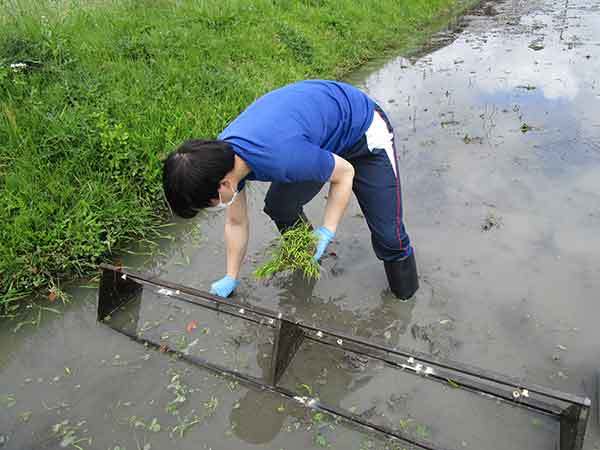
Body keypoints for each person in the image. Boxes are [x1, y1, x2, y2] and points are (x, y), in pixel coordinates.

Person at [162, 80, 418, 300]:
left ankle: (405, 298)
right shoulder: (221, 161)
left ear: (224, 185)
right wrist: (231, 276)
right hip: (316, 140)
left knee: (390, 237)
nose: (215, 207)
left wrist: (327, 230)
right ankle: (308, 256)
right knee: (280, 206)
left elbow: (344, 173)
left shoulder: (282, 158)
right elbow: (236, 222)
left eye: (210, 203)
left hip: (363, 132)